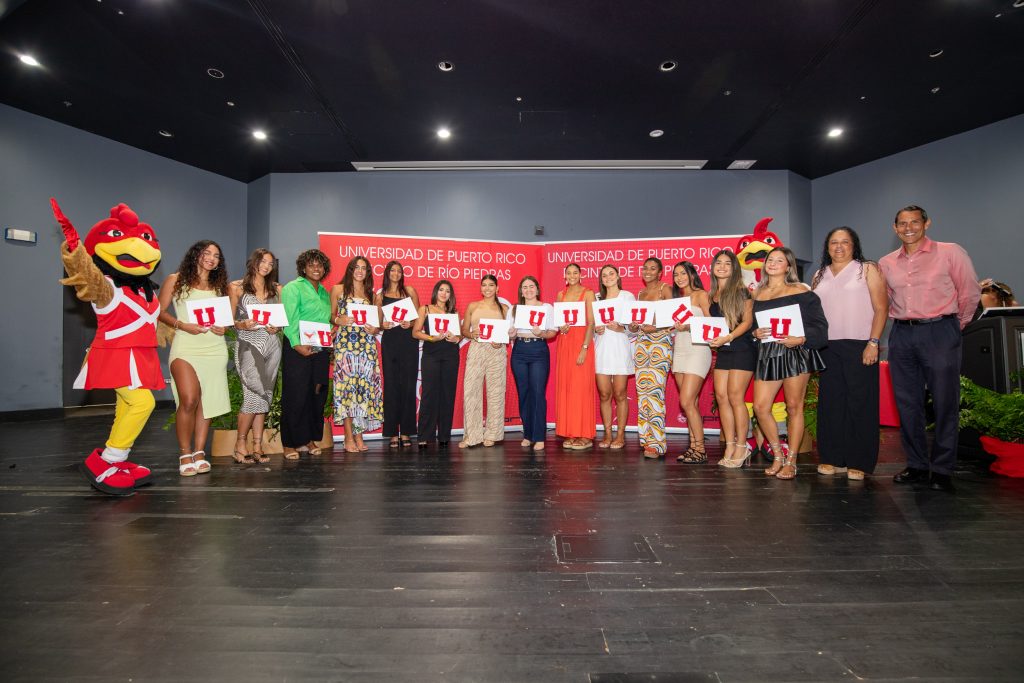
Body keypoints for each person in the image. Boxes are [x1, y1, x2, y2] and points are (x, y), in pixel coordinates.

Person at [880, 205, 980, 493]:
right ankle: (917, 465)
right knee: (908, 403)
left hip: (941, 331)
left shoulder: (950, 252)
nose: (908, 227)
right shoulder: (887, 263)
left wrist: (953, 327)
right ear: (895, 228)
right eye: (902, 223)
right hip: (901, 334)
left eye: (914, 222)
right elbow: (884, 300)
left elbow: (969, 292)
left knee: (945, 401)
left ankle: (942, 469)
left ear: (926, 223)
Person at [811, 228, 888, 480]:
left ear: (854, 245)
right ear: (827, 246)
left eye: (845, 242)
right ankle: (832, 457)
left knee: (860, 403)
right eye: (834, 242)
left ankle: (860, 461)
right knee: (831, 404)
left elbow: (881, 308)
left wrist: (873, 342)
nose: (839, 247)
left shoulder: (867, 269)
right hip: (827, 347)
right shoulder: (819, 274)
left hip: (860, 345)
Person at [751, 247, 828, 479]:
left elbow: (821, 327)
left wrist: (802, 338)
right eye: (770, 259)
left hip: (796, 352)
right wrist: (755, 333)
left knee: (794, 407)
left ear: (789, 266)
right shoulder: (757, 294)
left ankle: (791, 461)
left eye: (779, 260)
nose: (773, 263)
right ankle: (777, 455)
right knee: (760, 407)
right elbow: (749, 328)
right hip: (768, 353)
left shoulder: (803, 292)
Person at [158, 240, 230, 477]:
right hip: (186, 346)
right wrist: (182, 325)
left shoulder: (221, 287)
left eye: (216, 255)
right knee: (188, 399)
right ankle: (184, 452)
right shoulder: (175, 280)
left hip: (214, 349)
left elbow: (224, 322)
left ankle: (199, 453)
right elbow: (159, 311)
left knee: (207, 403)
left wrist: (223, 328)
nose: (212, 258)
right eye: (207, 253)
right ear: (196, 255)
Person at [227, 248, 282, 464]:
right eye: (263, 261)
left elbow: (279, 319)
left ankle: (258, 445)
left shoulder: (277, 289)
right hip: (248, 346)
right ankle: (240, 444)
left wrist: (275, 327)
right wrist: (242, 324)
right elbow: (229, 320)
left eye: (270, 263)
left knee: (265, 397)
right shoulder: (236, 287)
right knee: (252, 396)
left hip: (271, 346)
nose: (266, 266)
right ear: (254, 262)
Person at [280, 249, 333, 459]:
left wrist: (330, 339)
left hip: (320, 348)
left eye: (319, 265)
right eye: (311, 265)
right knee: (296, 395)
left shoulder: (324, 292)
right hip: (297, 348)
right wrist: (296, 344)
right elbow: (289, 319)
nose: (316, 268)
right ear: (303, 267)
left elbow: (324, 320)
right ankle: (289, 442)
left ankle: (308, 438)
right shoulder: (293, 288)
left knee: (316, 394)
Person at [707, 249, 757, 468]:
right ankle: (729, 444)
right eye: (719, 263)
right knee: (722, 397)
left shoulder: (742, 291)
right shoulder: (712, 294)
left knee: (736, 397)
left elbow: (746, 322)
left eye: (728, 263)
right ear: (713, 267)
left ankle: (742, 444)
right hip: (724, 350)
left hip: (742, 347)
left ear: (734, 268)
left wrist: (728, 336)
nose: (722, 267)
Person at [330, 255, 383, 453]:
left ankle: (359, 435)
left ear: (368, 272)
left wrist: (374, 330)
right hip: (345, 345)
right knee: (346, 391)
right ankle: (347, 436)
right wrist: (338, 320)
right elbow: (331, 316)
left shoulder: (372, 295)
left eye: (364, 268)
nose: (360, 271)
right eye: (357, 267)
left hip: (366, 347)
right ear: (350, 269)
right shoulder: (338, 289)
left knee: (362, 391)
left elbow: (377, 325)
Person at [630, 257, 674, 458]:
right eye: (645, 268)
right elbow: (637, 322)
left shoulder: (665, 289)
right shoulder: (640, 294)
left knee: (655, 392)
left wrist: (656, 327)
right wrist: (632, 326)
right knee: (643, 392)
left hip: (660, 343)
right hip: (641, 343)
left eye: (652, 268)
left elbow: (675, 317)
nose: (647, 271)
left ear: (660, 272)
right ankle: (646, 438)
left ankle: (657, 444)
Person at [670, 261, 712, 463]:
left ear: (692, 274)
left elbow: (711, 323)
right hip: (680, 350)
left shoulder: (701, 295)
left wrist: (690, 326)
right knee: (691, 403)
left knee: (685, 400)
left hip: (699, 348)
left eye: (683, 273)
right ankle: (693, 447)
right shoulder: (675, 300)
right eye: (676, 274)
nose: (679, 277)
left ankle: (701, 449)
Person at [508, 276, 557, 451]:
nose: (528, 290)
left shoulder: (546, 308)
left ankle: (539, 436)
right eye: (524, 287)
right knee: (524, 393)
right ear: (521, 291)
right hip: (519, 350)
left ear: (537, 289)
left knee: (537, 392)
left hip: (538, 351)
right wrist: (512, 333)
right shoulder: (514, 309)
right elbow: (510, 335)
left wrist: (541, 333)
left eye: (531, 286)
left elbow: (553, 332)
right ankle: (528, 434)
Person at [375, 261, 421, 448]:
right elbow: (376, 323)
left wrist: (409, 324)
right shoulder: (380, 296)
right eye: (392, 270)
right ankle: (392, 432)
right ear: (387, 273)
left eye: (399, 271)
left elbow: (419, 318)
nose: (395, 273)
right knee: (392, 385)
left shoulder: (409, 291)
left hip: (409, 343)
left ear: (402, 274)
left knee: (409, 386)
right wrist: (382, 325)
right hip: (391, 343)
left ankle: (407, 431)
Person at [460, 274, 509, 448]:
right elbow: (464, 329)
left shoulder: (504, 308)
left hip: (497, 351)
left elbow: (509, 332)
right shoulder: (473, 306)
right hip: (476, 349)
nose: (487, 288)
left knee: (496, 392)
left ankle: (493, 433)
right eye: (484, 285)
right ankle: (471, 435)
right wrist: (471, 334)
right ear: (480, 288)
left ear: (497, 288)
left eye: (491, 285)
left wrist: (501, 340)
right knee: (471, 390)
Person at [413, 280, 462, 448]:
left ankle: (444, 435)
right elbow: (415, 332)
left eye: (447, 291)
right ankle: (424, 435)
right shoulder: (425, 309)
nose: (444, 293)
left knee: (447, 394)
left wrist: (456, 339)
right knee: (429, 394)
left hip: (450, 355)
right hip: (431, 355)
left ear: (450, 295)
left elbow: (459, 336)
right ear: (436, 291)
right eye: (441, 290)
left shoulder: (454, 313)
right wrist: (433, 338)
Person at [554, 264, 596, 450]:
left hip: (581, 344)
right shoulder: (560, 295)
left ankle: (585, 435)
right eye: (568, 273)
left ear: (581, 275)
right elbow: (559, 324)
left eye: (575, 273)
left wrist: (585, 347)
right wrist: (560, 328)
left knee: (581, 388)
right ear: (565, 276)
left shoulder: (588, 293)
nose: (572, 276)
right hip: (565, 344)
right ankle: (571, 432)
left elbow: (591, 322)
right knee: (568, 388)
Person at [593, 264, 635, 449]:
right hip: (602, 350)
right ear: (601, 279)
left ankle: (620, 435)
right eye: (604, 275)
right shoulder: (596, 299)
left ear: (618, 276)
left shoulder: (627, 297)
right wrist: (596, 329)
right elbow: (591, 329)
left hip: (620, 349)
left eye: (611, 274)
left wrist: (622, 328)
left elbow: (635, 327)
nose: (608, 277)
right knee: (604, 394)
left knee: (620, 393)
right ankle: (607, 434)